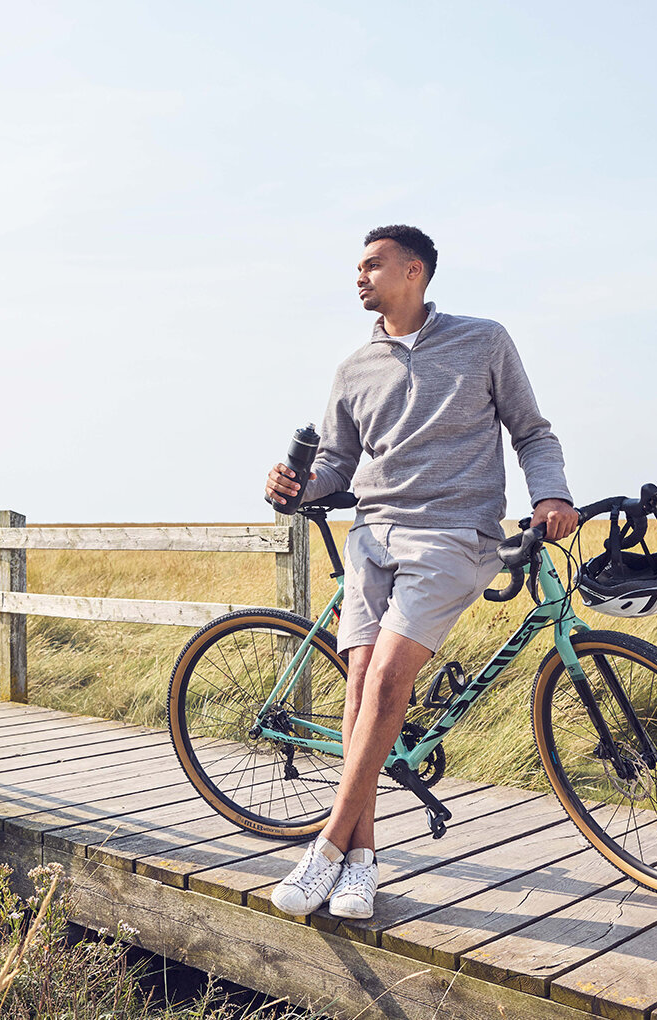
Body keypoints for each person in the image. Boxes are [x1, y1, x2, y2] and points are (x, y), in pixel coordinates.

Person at [259, 225, 578, 921]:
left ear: (415, 272)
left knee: (385, 677)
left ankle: (324, 847)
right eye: (358, 267)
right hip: (373, 535)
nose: (359, 277)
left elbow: (532, 431)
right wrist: (297, 486)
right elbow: (337, 468)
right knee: (359, 692)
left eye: (372, 266)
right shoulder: (352, 369)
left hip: (454, 536)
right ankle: (362, 863)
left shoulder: (484, 341)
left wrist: (550, 493)